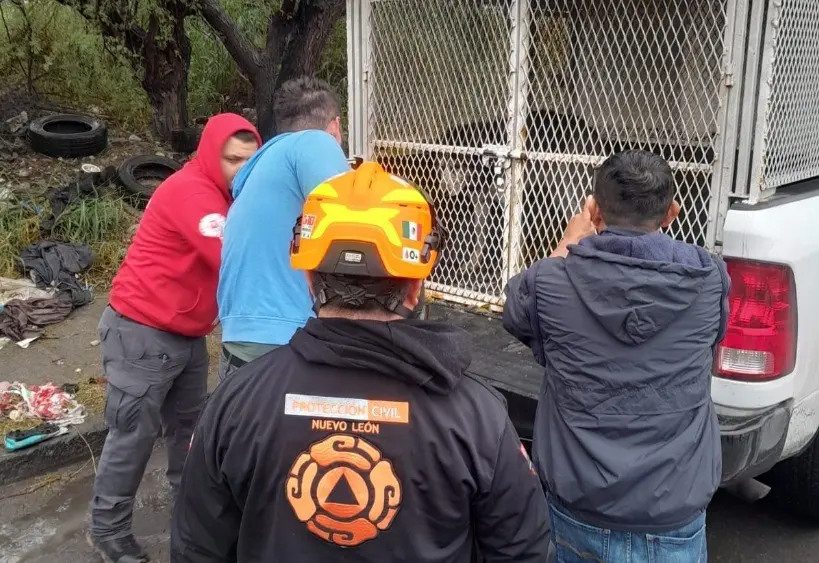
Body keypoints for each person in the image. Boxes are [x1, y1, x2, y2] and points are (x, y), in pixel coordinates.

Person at [171, 162, 552, 562]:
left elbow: (196, 548)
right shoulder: (477, 417)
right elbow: (523, 550)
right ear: (414, 287)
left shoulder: (236, 402)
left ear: (308, 278)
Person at [503, 149, 729, 563]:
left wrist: (567, 243)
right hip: (673, 514)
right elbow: (714, 339)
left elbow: (515, 312)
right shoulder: (709, 280)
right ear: (671, 213)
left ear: (593, 210)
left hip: (577, 509)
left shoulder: (553, 281)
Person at [88, 113, 261, 563]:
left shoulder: (229, 196)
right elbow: (230, 255)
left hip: (186, 336)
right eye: (233, 159)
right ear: (210, 155)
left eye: (251, 160)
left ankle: (196, 522)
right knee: (133, 437)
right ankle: (107, 533)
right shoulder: (193, 193)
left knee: (191, 436)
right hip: (142, 333)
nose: (242, 169)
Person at [217, 76, 351, 381]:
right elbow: (350, 220)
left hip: (243, 341)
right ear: (336, 127)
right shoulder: (316, 141)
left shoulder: (263, 167)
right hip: (283, 342)